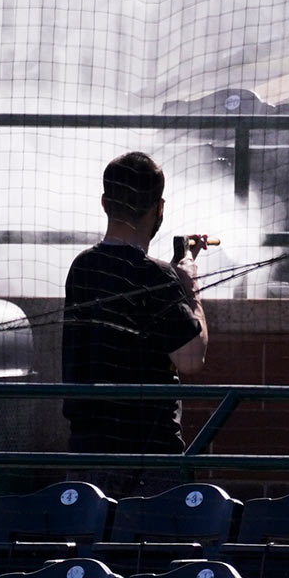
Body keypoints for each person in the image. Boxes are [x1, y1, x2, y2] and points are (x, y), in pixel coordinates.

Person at [62, 152, 208, 459]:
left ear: (105, 203)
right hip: (147, 458)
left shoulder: (82, 268)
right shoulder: (155, 276)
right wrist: (189, 284)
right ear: (159, 208)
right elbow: (192, 358)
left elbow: (134, 296)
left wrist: (171, 282)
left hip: (87, 451)